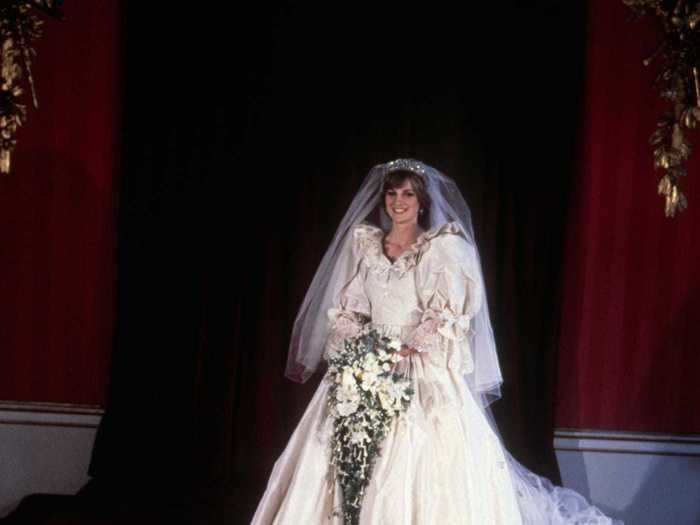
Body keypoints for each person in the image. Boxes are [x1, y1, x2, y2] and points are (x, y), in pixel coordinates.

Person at [251, 159, 622, 524]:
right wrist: (363, 350)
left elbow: (444, 316)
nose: (399, 201)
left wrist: (403, 351)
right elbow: (347, 310)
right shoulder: (363, 246)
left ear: (422, 201)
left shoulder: (442, 249)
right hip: (366, 361)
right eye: (392, 193)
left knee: (423, 457)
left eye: (408, 194)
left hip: (418, 364)